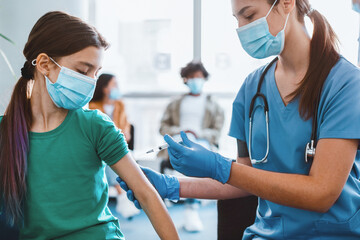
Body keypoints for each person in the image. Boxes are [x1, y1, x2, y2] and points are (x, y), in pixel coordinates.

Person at [118, 0, 360, 239]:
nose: (243, 29)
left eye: (250, 15)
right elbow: (246, 178)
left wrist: (219, 166)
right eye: (238, 20)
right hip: (266, 234)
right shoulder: (252, 88)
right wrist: (171, 186)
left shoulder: (345, 84)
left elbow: (321, 193)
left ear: (286, 3)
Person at [0, 11, 179, 240]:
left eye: (95, 74)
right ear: (45, 64)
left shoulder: (95, 126)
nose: (90, 82)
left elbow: (146, 193)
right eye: (83, 71)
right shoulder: (5, 131)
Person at [158, 61, 224, 232]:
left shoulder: (213, 105)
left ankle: (191, 207)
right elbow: (163, 127)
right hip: (177, 139)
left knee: (195, 156)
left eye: (199, 77)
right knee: (183, 153)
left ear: (204, 79)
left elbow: (216, 132)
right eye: (192, 77)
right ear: (185, 79)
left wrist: (197, 133)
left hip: (200, 142)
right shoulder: (175, 103)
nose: (196, 80)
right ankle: (187, 204)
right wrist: (181, 131)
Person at [89, 73, 140, 219]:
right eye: (114, 85)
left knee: (114, 157)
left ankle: (122, 196)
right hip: (100, 149)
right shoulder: (93, 107)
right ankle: (122, 195)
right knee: (108, 159)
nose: (118, 88)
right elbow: (96, 134)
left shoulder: (120, 105)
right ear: (105, 89)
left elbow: (126, 132)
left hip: (119, 146)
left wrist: (119, 135)